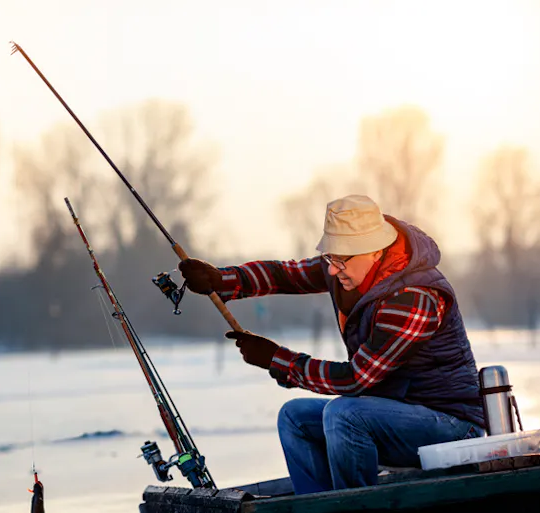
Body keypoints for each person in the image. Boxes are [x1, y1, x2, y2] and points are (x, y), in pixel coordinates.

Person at [179, 195, 485, 494]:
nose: (333, 270)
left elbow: (357, 379)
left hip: (451, 427)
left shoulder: (414, 298)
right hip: (393, 412)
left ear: (376, 251)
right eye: (330, 258)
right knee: (294, 417)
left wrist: (277, 359)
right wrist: (221, 280)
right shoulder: (349, 270)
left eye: (341, 260)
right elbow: (286, 275)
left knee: (345, 414)